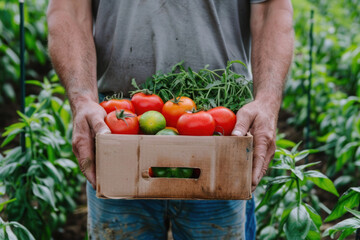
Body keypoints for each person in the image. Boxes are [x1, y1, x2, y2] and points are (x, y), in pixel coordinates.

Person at [47, 0, 294, 239]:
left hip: (222, 131)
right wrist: (83, 100)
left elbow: (271, 8)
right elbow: (68, 8)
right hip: (117, 127)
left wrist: (267, 102)